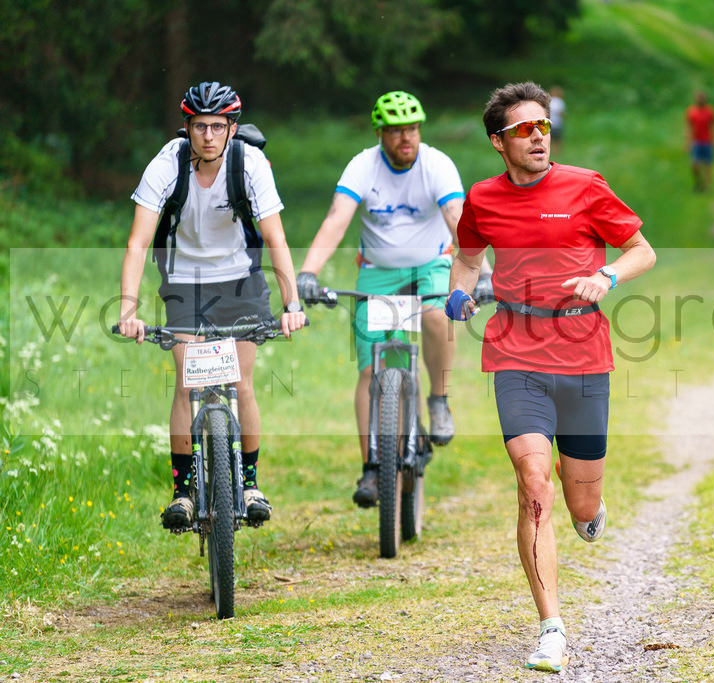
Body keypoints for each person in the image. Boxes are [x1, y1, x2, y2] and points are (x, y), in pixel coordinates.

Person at [445, 82, 656, 673]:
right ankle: (551, 627)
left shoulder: (585, 186)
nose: (537, 136)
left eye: (542, 126)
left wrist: (608, 276)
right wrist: (460, 292)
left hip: (585, 352)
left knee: (580, 505)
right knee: (532, 479)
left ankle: (587, 505)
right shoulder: (482, 198)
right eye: (523, 129)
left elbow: (642, 250)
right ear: (498, 142)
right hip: (516, 349)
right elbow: (467, 255)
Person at [118, 81, 307, 529]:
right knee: (187, 382)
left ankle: (249, 482)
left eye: (217, 126)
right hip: (184, 280)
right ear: (187, 128)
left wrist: (291, 302)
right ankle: (182, 493)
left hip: (242, 280)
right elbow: (137, 242)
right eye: (199, 126)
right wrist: (129, 310)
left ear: (231, 128)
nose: (208, 135)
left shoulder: (250, 163)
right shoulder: (168, 163)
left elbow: (276, 238)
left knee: (242, 383)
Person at [296, 91, 469, 508]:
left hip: (432, 265)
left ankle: (438, 399)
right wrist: (309, 272)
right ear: (380, 133)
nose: (404, 137)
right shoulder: (362, 166)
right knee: (371, 369)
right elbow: (336, 220)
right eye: (394, 130)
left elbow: (458, 220)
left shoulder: (437, 164)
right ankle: (372, 466)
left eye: (411, 128)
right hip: (378, 273)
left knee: (434, 315)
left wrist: (477, 274)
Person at [685, 90, 714, 192]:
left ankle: (707, 185)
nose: (700, 100)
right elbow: (688, 127)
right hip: (696, 141)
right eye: (698, 98)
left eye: (702, 98)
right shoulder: (691, 111)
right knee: (694, 164)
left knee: (707, 164)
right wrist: (687, 141)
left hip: (707, 141)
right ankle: (697, 183)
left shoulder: (710, 111)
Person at [549, 86, 565, 156]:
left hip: (550, 122)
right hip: (557, 123)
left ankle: (549, 151)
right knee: (557, 139)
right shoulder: (560, 102)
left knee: (549, 138)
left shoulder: (549, 101)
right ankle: (556, 152)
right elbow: (562, 113)